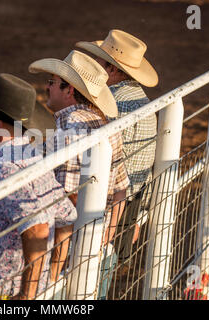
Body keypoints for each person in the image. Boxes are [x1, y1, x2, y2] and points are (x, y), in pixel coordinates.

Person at [0, 73, 77, 300]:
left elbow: (37, 228)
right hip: (39, 284)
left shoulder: (4, 169)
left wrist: (26, 295)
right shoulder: (34, 157)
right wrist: (52, 273)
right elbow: (66, 215)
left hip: (3, 290)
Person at [28, 50, 130, 292]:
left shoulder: (65, 128)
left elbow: (65, 197)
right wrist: (108, 233)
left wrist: (53, 266)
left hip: (64, 251)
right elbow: (121, 188)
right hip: (97, 240)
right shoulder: (107, 124)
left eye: (52, 83)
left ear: (69, 90)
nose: (47, 88)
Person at [76, 30, 159, 261]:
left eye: (99, 62)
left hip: (108, 204)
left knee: (88, 266)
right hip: (131, 201)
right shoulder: (140, 99)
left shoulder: (111, 103)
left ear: (112, 69)